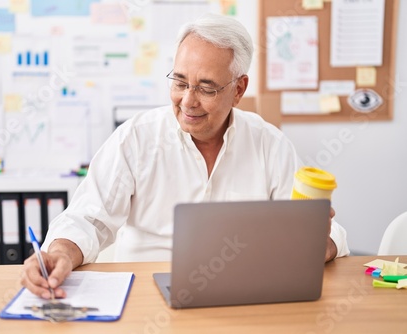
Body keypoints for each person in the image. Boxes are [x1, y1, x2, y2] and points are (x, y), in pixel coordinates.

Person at [21, 13, 350, 299]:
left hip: (241, 299)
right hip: (143, 297)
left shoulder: (268, 143)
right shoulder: (135, 138)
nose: (187, 100)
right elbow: (86, 219)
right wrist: (60, 253)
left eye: (206, 88)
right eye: (179, 82)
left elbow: (324, 230)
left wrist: (322, 243)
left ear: (238, 89)